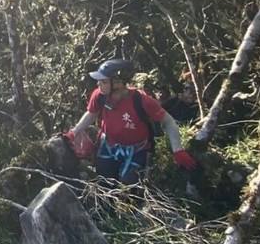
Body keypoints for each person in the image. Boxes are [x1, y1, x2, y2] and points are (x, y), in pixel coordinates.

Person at [66, 59, 196, 184]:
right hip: (109, 146)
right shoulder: (99, 95)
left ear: (118, 82)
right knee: (103, 180)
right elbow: (92, 113)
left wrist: (178, 150)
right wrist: (74, 132)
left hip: (137, 150)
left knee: (129, 185)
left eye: (103, 81)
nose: (98, 84)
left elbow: (168, 121)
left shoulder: (142, 101)